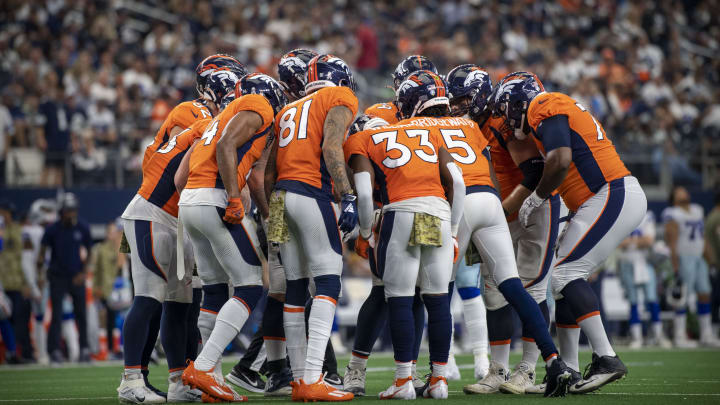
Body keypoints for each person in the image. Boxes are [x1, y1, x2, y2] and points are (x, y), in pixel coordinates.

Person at [493, 74, 646, 394]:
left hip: (609, 193)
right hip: (595, 200)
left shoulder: (544, 105)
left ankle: (606, 357)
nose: (507, 118)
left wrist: (536, 198)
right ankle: (572, 371)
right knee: (562, 283)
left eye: (506, 109)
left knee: (564, 274)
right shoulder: (548, 109)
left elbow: (560, 159)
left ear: (517, 103)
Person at [344, 70, 466, 400]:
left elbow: (366, 195)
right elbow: (458, 182)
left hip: (400, 212)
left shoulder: (366, 137)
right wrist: (454, 232)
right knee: (438, 299)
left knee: (397, 297)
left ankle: (403, 382)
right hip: (438, 211)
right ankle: (439, 380)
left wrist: (367, 232)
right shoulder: (428, 132)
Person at [117, 55, 231, 404]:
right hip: (155, 210)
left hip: (180, 217)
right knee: (149, 297)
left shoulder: (213, 120)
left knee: (182, 304)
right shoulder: (191, 114)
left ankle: (179, 380)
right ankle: (131, 380)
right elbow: (172, 164)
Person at [179, 72, 287, 403]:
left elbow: (181, 176)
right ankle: (204, 366)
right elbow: (227, 146)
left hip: (190, 201)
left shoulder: (219, 118)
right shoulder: (258, 105)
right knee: (251, 284)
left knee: (213, 291)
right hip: (214, 200)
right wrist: (233, 197)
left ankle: (208, 379)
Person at [264, 54, 358, 402]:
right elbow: (331, 146)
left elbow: (270, 172)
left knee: (295, 287)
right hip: (310, 193)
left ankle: (301, 378)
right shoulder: (339, 98)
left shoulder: (288, 109)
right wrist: (348, 197)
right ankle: (313, 376)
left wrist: (273, 212)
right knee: (329, 281)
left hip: (281, 197)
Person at [37, 193, 92, 363]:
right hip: (57, 277)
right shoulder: (52, 229)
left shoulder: (82, 227)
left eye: (73, 210)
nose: (71, 213)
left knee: (81, 314)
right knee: (57, 315)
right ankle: (54, 350)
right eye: (68, 210)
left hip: (76, 277)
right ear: (62, 211)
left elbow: (90, 252)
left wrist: (83, 273)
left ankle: (84, 349)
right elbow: (42, 252)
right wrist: (40, 274)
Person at [663, 186, 720, 347]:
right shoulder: (672, 213)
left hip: (699, 256)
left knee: (705, 293)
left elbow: (703, 238)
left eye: (684, 190)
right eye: (679, 191)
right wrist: (675, 266)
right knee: (682, 297)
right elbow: (672, 243)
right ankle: (680, 335)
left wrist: (711, 260)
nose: (684, 192)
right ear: (674, 197)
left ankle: (706, 334)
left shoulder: (697, 210)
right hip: (683, 257)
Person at [617, 212, 671, 349]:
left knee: (652, 299)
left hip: (644, 262)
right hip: (627, 262)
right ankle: (637, 337)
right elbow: (618, 242)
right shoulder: (621, 214)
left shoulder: (647, 215)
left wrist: (630, 242)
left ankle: (658, 336)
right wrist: (637, 241)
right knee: (633, 301)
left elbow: (648, 241)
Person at [0, 200, 33, 363]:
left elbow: (27, 259)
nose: (3, 215)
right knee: (5, 320)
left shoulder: (21, 231)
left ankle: (20, 353)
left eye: (5, 212)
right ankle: (10, 353)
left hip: (17, 283)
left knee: (20, 321)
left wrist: (27, 283)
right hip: (2, 283)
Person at [91, 221, 125, 357]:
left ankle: (121, 347)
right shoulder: (100, 249)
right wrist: (96, 288)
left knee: (123, 320)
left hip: (121, 290)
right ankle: (111, 349)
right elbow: (97, 270)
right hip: (106, 289)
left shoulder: (122, 248)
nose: (113, 234)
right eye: (111, 232)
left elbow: (122, 266)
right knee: (109, 320)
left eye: (115, 231)